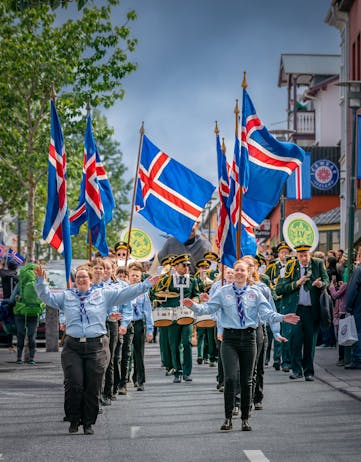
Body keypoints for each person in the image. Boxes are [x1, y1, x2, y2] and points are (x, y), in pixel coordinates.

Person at [34, 264, 159, 435]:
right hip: (73, 346)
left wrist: (147, 284)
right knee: (74, 383)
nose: (81, 280)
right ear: (75, 281)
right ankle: (74, 419)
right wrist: (40, 281)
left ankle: (88, 422)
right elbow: (46, 297)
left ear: (91, 280)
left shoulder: (103, 295)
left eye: (84, 277)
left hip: (96, 346)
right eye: (78, 277)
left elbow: (126, 294)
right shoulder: (67, 296)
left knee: (93, 385)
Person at [183, 260, 299, 432]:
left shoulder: (256, 292)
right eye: (236, 270)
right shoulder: (223, 292)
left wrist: (281, 317)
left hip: (249, 338)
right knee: (230, 378)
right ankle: (228, 417)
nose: (238, 273)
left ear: (248, 273)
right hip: (230, 338)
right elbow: (208, 308)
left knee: (247, 379)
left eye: (242, 270)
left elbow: (266, 312)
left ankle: (245, 418)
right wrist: (193, 306)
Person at [276, 244, 329, 381]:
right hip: (296, 310)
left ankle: (309, 371)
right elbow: (280, 289)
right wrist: (297, 283)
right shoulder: (291, 266)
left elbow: (326, 281)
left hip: (312, 310)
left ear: (309, 254)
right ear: (296, 255)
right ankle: (296, 370)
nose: (304, 258)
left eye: (306, 255)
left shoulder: (317, 264)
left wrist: (320, 284)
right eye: (301, 256)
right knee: (295, 341)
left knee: (310, 342)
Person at [265, 241, 292, 372]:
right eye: (282, 253)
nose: (284, 255)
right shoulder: (273, 266)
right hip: (276, 300)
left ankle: (286, 359)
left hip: (286, 300)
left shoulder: (292, 266)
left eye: (286, 253)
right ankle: (276, 359)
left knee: (286, 330)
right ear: (279, 254)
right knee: (276, 328)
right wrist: (274, 292)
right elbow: (267, 280)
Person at [12, 263, 45, 365]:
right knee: (31, 335)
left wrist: (18, 299)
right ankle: (31, 359)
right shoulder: (38, 283)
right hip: (34, 312)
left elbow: (11, 299)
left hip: (20, 312)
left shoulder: (20, 284)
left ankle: (18, 358)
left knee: (20, 334)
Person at [128, 262, 153, 391]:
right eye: (132, 275)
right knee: (127, 353)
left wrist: (150, 329)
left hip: (138, 324)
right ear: (128, 277)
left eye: (137, 276)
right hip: (126, 324)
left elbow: (148, 312)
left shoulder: (144, 292)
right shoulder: (124, 291)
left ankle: (140, 379)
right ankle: (125, 378)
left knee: (139, 353)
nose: (135, 278)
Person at [345, 262, 361, 369]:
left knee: (358, 332)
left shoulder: (358, 270)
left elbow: (352, 289)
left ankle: (357, 359)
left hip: (359, 305)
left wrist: (348, 306)